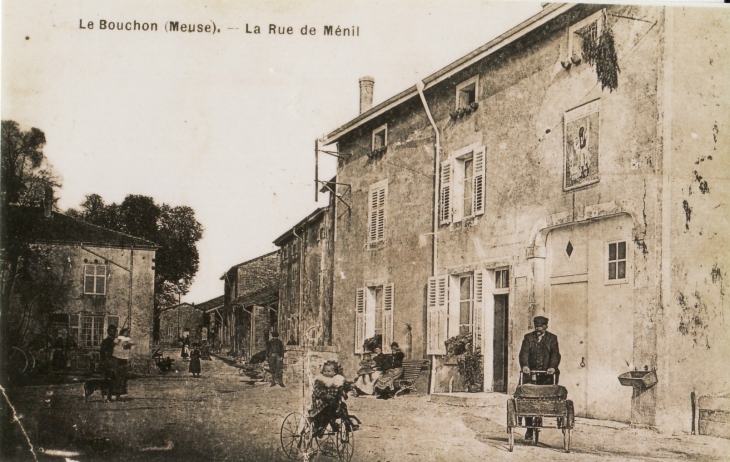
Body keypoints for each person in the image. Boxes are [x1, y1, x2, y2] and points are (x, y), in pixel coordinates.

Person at [518, 316, 561, 440]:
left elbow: (555, 354)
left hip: (547, 375)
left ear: (546, 327)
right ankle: (530, 428)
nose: (538, 329)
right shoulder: (528, 338)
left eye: (541, 327)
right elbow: (523, 353)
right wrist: (525, 366)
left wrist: (552, 367)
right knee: (528, 398)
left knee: (544, 397)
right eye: (537, 326)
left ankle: (540, 417)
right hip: (531, 373)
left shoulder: (552, 338)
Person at [309, 360, 358, 439]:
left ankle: (348, 424)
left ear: (335, 372)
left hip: (336, 403)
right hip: (323, 403)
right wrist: (324, 394)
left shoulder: (338, 379)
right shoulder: (320, 380)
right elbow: (317, 390)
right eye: (324, 371)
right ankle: (321, 427)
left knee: (343, 408)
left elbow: (345, 384)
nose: (326, 373)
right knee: (326, 412)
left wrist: (350, 385)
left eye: (329, 371)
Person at [109, 327, 135, 400]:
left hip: (124, 358)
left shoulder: (128, 339)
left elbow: (129, 347)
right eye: (126, 332)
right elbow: (112, 345)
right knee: (116, 376)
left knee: (122, 377)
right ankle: (112, 394)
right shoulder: (118, 338)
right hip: (117, 358)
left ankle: (119, 395)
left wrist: (128, 345)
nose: (127, 333)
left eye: (128, 332)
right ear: (123, 332)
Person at [99, 325, 119, 402]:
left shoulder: (116, 341)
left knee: (114, 380)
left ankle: (110, 396)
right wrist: (103, 362)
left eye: (114, 331)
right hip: (107, 363)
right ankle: (104, 397)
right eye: (111, 331)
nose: (113, 332)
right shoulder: (105, 341)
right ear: (108, 332)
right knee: (105, 380)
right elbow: (102, 352)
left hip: (115, 363)